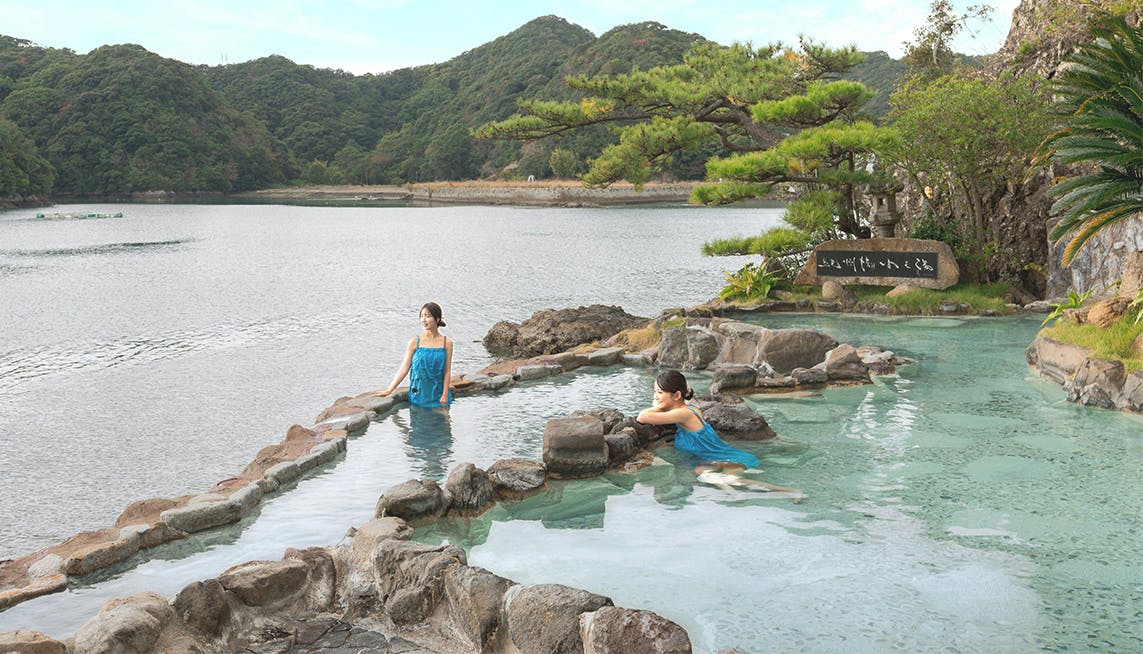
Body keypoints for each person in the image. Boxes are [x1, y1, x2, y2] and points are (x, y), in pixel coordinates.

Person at [637, 370, 803, 496]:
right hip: (718, 459)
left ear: (677, 395)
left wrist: (655, 406)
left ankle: (788, 491)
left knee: (728, 480)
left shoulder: (684, 414)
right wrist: (660, 404)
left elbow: (642, 417)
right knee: (704, 473)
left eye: (660, 392)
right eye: (655, 392)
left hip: (729, 458)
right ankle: (734, 495)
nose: (656, 397)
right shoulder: (690, 408)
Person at [374, 302, 453, 407]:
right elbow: (404, 368)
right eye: (421, 316)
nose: (424, 320)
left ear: (437, 319)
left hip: (439, 394)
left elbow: (447, 371)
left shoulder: (447, 342)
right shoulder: (414, 342)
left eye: (428, 316)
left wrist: (444, 395)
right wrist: (390, 389)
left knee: (443, 421)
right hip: (419, 394)